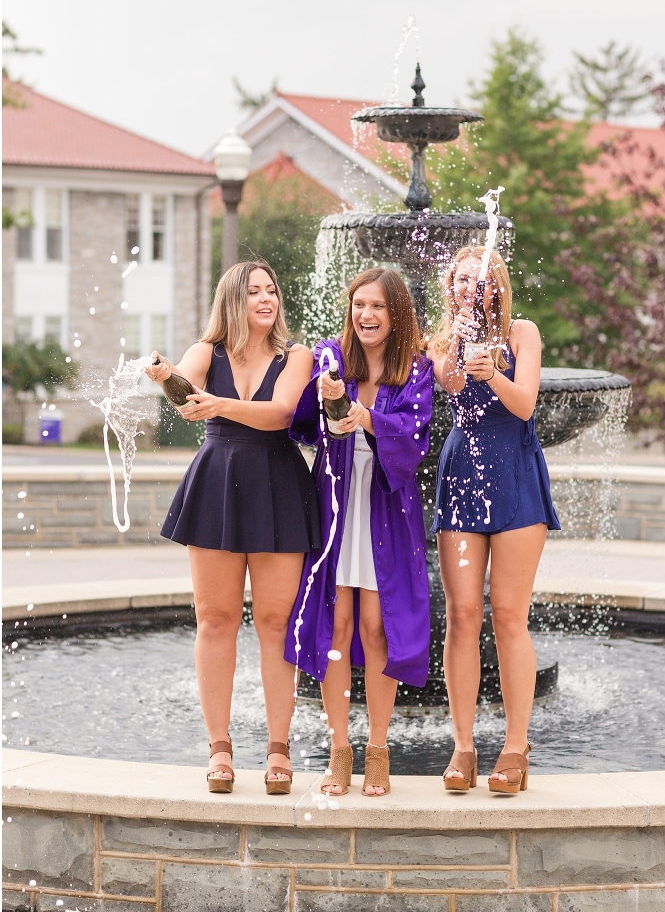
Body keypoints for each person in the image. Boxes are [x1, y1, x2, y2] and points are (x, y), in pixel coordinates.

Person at [146, 259, 321, 796]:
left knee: (274, 622)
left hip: (278, 482)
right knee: (215, 619)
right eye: (253, 292)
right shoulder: (207, 351)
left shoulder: (297, 356)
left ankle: (278, 749)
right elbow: (185, 395)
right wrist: (166, 377)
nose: (266, 299)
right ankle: (219, 749)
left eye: (271, 290)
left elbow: (281, 413)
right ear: (232, 301)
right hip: (217, 481)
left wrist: (219, 403)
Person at [285, 268, 433, 797]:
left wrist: (364, 416)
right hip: (338, 503)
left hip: (385, 506)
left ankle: (378, 750)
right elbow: (305, 426)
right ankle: (338, 748)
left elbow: (413, 439)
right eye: (359, 305)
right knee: (336, 625)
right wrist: (323, 395)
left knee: (377, 628)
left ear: (396, 315)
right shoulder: (331, 358)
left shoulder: (415, 369)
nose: (366, 315)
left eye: (377, 306)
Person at [427, 247, 560, 795]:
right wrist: (462, 352)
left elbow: (525, 405)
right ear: (451, 287)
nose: (470, 287)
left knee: (508, 614)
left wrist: (496, 372)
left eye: (478, 279)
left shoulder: (522, 333)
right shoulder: (442, 340)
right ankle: (463, 747)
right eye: (460, 280)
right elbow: (453, 385)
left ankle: (515, 748)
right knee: (462, 615)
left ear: (496, 284)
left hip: (515, 473)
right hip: (464, 475)